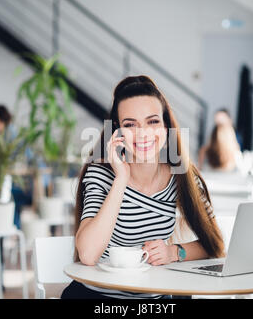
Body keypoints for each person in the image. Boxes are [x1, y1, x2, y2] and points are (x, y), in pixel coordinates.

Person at [61, 75, 225, 299]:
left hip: (154, 297)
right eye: (130, 124)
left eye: (153, 121)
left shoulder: (181, 176)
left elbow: (214, 245)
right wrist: (121, 178)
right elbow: (88, 254)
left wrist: (174, 252)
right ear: (117, 131)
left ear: (166, 126)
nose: (143, 133)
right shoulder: (101, 173)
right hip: (98, 297)